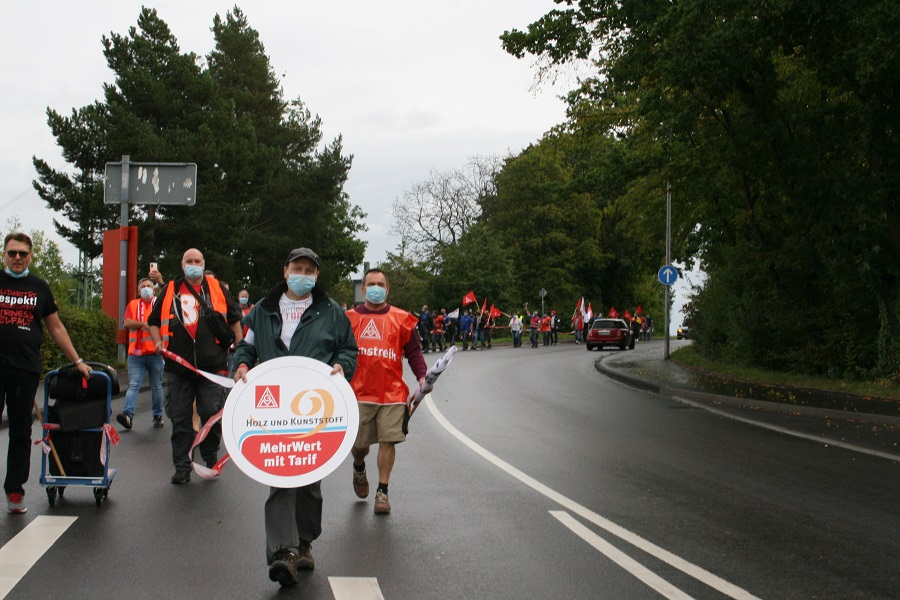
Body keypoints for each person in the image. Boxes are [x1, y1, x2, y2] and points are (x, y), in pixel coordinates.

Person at [233, 247, 357, 586]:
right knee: (280, 477)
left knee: (309, 483)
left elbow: (348, 349)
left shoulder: (331, 312)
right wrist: (242, 364)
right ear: (285, 269)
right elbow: (246, 346)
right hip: (274, 411)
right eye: (297, 267)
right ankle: (284, 552)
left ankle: (305, 541)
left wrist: (342, 367)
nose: (303, 274)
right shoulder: (262, 310)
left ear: (316, 275)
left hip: (315, 408)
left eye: (310, 270)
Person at [0, 232, 93, 514]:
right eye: (12, 253)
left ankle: (15, 491)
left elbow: (55, 327)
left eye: (23, 254)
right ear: (4, 254)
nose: (17, 258)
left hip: (24, 369)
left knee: (20, 432)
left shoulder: (39, 287)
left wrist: (77, 360)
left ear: (30, 256)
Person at [148, 248, 243, 485]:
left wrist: (241, 351)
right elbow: (152, 321)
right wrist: (158, 340)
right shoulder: (170, 290)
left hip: (212, 366)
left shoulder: (217, 289)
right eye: (189, 261)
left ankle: (210, 457)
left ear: (203, 263)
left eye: (197, 261)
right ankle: (182, 467)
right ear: (182, 264)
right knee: (180, 417)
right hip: (178, 368)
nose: (193, 264)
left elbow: (234, 319)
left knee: (211, 412)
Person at [346, 268, 426, 517]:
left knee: (388, 440)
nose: (376, 288)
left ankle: (382, 492)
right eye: (371, 284)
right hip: (358, 394)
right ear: (362, 289)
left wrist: (423, 377)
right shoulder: (347, 319)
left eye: (381, 284)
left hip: (392, 394)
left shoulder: (401, 319)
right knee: (358, 445)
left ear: (388, 289)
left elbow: (413, 352)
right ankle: (359, 467)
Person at [117, 277, 165, 430]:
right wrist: (144, 324)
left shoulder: (159, 303)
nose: (146, 288)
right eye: (143, 286)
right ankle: (128, 415)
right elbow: (127, 323)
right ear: (138, 291)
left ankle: (158, 415)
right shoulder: (133, 304)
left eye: (149, 286)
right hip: (135, 354)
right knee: (133, 385)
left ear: (154, 289)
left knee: (156, 386)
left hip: (155, 353)